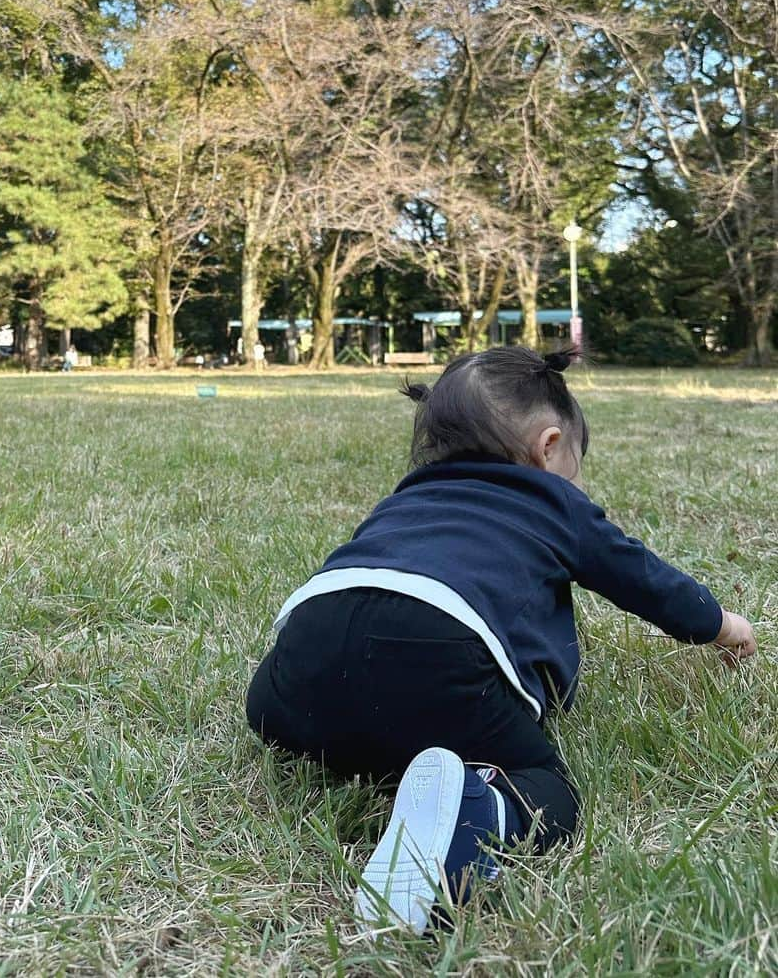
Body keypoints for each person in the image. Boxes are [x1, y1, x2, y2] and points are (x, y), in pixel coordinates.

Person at [246, 346, 758, 934]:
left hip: (313, 627)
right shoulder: (554, 500)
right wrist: (721, 625)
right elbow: (647, 581)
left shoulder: (405, 498)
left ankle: (324, 728)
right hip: (442, 641)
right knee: (551, 796)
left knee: (280, 708)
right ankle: (477, 812)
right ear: (548, 447)